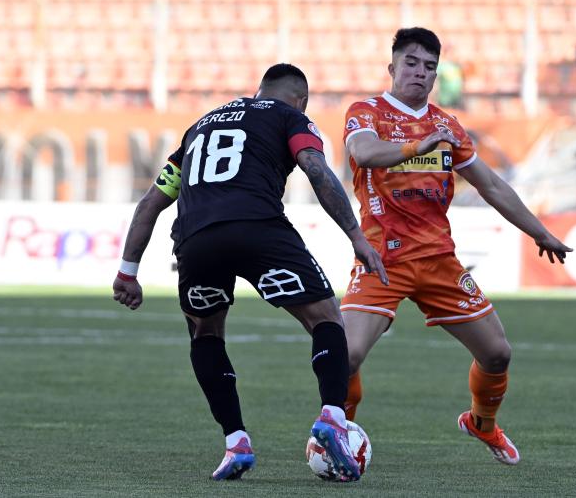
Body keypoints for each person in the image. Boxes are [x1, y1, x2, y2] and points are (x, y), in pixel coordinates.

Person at [112, 63, 387, 482]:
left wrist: (128, 272)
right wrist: (356, 235)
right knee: (326, 318)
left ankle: (235, 442)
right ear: (302, 100)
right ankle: (332, 418)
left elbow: (152, 200)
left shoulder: (200, 127)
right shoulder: (290, 117)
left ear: (259, 91)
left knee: (205, 335)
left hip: (195, 239)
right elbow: (315, 168)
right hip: (258, 228)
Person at [340, 27, 572, 466]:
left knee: (497, 352)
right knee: (346, 354)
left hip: (438, 261)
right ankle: (339, 430)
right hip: (380, 257)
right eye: (411, 63)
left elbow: (490, 184)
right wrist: (416, 145)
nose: (420, 73)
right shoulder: (366, 112)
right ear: (392, 67)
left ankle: (482, 423)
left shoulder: (447, 125)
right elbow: (365, 153)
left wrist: (539, 231)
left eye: (430, 67)